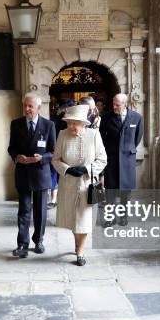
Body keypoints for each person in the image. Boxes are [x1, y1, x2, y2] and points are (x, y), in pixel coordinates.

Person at [53, 105, 107, 266]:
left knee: (83, 219)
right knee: (72, 219)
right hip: (68, 184)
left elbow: (102, 159)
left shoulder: (94, 135)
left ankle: (80, 252)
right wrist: (67, 169)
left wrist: (87, 169)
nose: (70, 126)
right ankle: (78, 245)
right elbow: (55, 159)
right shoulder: (62, 135)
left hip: (88, 184)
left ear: (83, 123)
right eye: (69, 123)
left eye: (74, 123)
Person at [7, 92, 56, 258]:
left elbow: (54, 151)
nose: (27, 109)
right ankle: (22, 244)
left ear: (38, 108)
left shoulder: (49, 125)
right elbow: (11, 148)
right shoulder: (16, 124)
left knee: (41, 211)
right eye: (25, 106)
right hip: (23, 174)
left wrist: (43, 158)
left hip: (41, 174)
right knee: (24, 210)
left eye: (30, 106)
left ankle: (39, 241)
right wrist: (17, 157)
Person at [99, 93, 144, 226]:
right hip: (111, 159)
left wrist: (127, 149)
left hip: (127, 160)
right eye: (113, 103)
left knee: (126, 191)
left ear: (125, 104)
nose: (114, 106)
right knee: (110, 190)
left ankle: (123, 217)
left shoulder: (137, 118)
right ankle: (110, 218)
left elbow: (137, 138)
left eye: (117, 105)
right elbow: (102, 137)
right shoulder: (106, 117)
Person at [48, 98, 75, 209]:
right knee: (55, 174)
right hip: (56, 150)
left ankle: (62, 199)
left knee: (66, 175)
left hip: (69, 151)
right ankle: (53, 199)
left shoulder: (73, 121)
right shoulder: (54, 120)